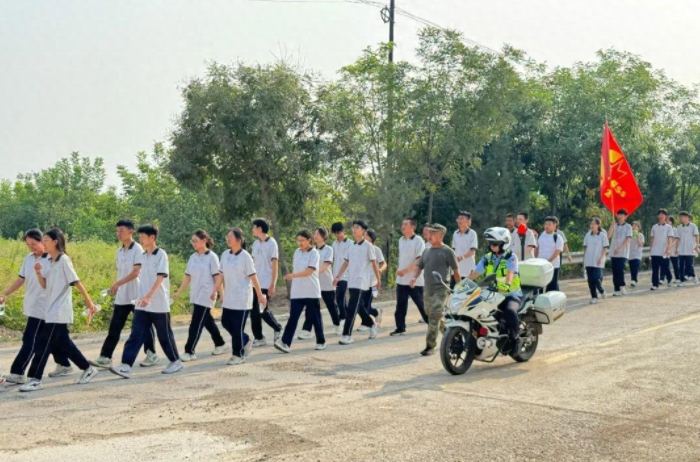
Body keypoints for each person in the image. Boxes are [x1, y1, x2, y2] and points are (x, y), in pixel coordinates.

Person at [20, 228, 99, 392]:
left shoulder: (64, 260)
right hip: (50, 310)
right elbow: (45, 285)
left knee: (43, 343)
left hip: (59, 310)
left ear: (55, 242)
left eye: (46, 241)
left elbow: (76, 281)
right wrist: (38, 272)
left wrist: (89, 302)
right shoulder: (49, 261)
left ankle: (35, 379)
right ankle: (88, 369)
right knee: (64, 344)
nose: (43, 244)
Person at [109, 224, 183, 379]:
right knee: (136, 334)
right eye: (140, 237)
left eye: (143, 237)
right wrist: (141, 298)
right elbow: (142, 279)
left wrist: (149, 296)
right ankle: (126, 366)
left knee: (164, 335)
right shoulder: (142, 256)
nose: (141, 239)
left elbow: (160, 278)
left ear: (152, 238)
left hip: (158, 303)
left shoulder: (161, 254)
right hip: (142, 304)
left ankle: (175, 361)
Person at [0, 229, 71, 384]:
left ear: (43, 241)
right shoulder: (28, 259)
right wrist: (5, 294)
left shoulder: (53, 259)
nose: (31, 247)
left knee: (30, 339)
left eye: (34, 243)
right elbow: (21, 279)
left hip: (45, 306)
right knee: (50, 340)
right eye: (28, 244)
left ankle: (18, 372)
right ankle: (65, 364)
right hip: (33, 304)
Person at [90, 219, 157, 369]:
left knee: (143, 325)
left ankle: (151, 353)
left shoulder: (138, 249)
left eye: (121, 231)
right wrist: (116, 287)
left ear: (131, 231)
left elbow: (135, 272)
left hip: (136, 293)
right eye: (117, 231)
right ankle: (106, 356)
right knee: (115, 326)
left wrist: (118, 283)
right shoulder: (119, 251)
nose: (118, 234)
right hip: (122, 295)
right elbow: (122, 272)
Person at [171, 229, 227, 362]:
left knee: (195, 323)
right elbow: (187, 277)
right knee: (207, 320)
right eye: (192, 241)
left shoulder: (212, 257)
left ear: (204, 241)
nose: (193, 243)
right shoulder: (193, 257)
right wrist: (178, 293)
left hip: (207, 295)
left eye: (195, 241)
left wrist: (221, 294)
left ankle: (189, 351)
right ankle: (220, 343)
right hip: (195, 294)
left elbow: (218, 277)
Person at [213, 228, 267, 365]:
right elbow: (221, 275)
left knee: (237, 328)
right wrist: (216, 291)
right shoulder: (225, 254)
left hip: (242, 298)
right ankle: (246, 339)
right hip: (229, 297)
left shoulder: (245, 256)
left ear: (239, 240)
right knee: (225, 322)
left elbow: (253, 277)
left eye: (230, 236)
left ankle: (238, 355)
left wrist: (260, 295)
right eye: (227, 236)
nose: (227, 238)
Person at [468, 227, 523, 356]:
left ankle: (516, 339)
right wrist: (464, 283)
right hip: (491, 294)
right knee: (475, 311)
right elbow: (476, 272)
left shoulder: (511, 256)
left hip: (511, 294)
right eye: (490, 243)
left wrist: (506, 285)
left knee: (510, 311)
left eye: (495, 243)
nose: (492, 246)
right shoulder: (487, 258)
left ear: (504, 243)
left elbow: (510, 273)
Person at [409, 223, 461, 356]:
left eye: (433, 233)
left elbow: (456, 271)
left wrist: (459, 289)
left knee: (434, 315)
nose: (429, 236)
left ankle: (430, 346)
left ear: (441, 235)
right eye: (429, 233)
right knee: (432, 315)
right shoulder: (426, 251)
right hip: (428, 289)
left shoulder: (447, 251)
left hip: (441, 289)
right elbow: (419, 267)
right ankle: (452, 335)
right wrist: (414, 278)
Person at [275, 230, 325, 353]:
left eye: (302, 240)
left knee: (315, 318)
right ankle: (285, 343)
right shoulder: (296, 253)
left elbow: (309, 271)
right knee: (293, 318)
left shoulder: (314, 253)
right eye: (298, 240)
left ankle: (321, 341)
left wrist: (293, 276)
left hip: (311, 291)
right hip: (297, 292)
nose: (300, 243)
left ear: (309, 240)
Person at [333, 219, 381, 345]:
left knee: (351, 308)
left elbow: (374, 264)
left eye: (357, 228)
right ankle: (371, 325)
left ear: (363, 231)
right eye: (353, 227)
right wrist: (338, 276)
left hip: (362, 281)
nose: (354, 229)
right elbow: (346, 263)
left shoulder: (368, 246)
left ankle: (346, 335)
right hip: (351, 280)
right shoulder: (351, 246)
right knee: (358, 307)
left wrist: (378, 280)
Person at [298, 227, 343, 338]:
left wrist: (314, 273)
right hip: (313, 284)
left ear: (323, 236)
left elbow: (326, 265)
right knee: (311, 307)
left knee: (331, 306)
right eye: (315, 233)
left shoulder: (328, 249)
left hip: (326, 282)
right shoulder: (312, 250)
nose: (315, 235)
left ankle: (338, 324)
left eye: (318, 234)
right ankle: (307, 330)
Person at [249, 218, 283, 347]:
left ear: (259, 228)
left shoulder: (272, 243)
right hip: (255, 282)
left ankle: (277, 327)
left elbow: (274, 264)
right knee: (253, 311)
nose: (252, 230)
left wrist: (272, 284)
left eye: (253, 227)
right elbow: (252, 264)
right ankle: (259, 337)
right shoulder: (255, 244)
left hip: (266, 281)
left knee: (262, 309)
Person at [392, 218, 429, 336]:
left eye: (405, 224)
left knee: (421, 305)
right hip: (401, 280)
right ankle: (400, 328)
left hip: (415, 279)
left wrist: (406, 270)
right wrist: (400, 270)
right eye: (402, 224)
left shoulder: (418, 240)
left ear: (412, 227)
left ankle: (433, 325)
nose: (402, 226)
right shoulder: (401, 240)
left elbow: (419, 259)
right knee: (400, 305)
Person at [357, 229, 386, 330]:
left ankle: (369, 320)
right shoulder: (360, 248)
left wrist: (380, 270)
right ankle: (370, 318)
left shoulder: (376, 249)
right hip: (361, 281)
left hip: (372, 282)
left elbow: (383, 263)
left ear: (372, 238)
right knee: (359, 304)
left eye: (366, 235)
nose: (363, 237)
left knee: (365, 305)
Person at [583, 218, 609, 303]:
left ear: (598, 225)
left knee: (596, 278)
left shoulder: (602, 235)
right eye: (591, 224)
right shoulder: (587, 235)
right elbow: (585, 248)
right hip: (588, 260)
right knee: (590, 280)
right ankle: (594, 297)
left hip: (598, 260)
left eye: (594, 224)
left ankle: (601, 291)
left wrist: (601, 258)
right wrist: (584, 259)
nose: (592, 225)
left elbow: (605, 248)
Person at [607, 209, 633, 296]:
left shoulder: (628, 226)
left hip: (622, 252)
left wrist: (620, 248)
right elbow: (608, 236)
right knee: (614, 271)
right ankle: (616, 289)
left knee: (620, 270)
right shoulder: (615, 225)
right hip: (613, 252)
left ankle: (622, 286)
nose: (620, 216)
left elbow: (628, 239)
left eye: (622, 214)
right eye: (619, 214)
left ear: (626, 216)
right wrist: (612, 226)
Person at [331, 222, 352, 325]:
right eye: (335, 233)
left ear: (344, 231)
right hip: (336, 275)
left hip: (346, 275)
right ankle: (348, 316)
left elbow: (349, 261)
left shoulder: (350, 243)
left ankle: (343, 317)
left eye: (339, 232)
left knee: (340, 297)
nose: (337, 235)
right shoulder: (334, 244)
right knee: (340, 298)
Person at [536, 216, 564, 292]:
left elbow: (558, 250)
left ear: (554, 225)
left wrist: (550, 260)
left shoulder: (557, 237)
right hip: (540, 265)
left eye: (549, 224)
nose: (546, 226)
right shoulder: (541, 235)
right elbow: (537, 248)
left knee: (552, 284)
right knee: (539, 284)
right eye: (545, 224)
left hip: (552, 265)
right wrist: (535, 259)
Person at [649, 209, 675, 291]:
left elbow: (670, 238)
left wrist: (668, 249)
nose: (661, 216)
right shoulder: (654, 227)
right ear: (658, 216)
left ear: (665, 216)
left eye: (663, 214)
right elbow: (652, 239)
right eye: (659, 214)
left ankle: (669, 279)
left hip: (664, 251)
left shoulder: (669, 227)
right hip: (655, 251)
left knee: (665, 267)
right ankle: (655, 284)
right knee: (655, 269)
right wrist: (651, 249)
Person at [452, 211, 478, 288]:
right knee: (453, 292)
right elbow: (454, 250)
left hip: (468, 270)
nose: (459, 221)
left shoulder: (472, 233)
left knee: (469, 294)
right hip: (457, 270)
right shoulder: (455, 233)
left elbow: (472, 251)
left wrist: (462, 257)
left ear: (467, 221)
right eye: (458, 219)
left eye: (462, 219)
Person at [677, 212, 699, 286]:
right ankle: (682, 281)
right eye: (680, 217)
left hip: (690, 248)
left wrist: (696, 245)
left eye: (682, 217)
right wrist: (677, 248)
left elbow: (696, 236)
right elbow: (678, 239)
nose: (680, 218)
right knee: (681, 265)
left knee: (689, 264)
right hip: (681, 249)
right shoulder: (679, 227)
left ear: (687, 217)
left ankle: (692, 276)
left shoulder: (693, 226)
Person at [628, 221, 645, 287]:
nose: (634, 227)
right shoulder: (629, 235)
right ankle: (634, 279)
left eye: (636, 226)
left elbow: (641, 245)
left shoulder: (641, 235)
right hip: (630, 254)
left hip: (637, 254)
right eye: (633, 226)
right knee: (632, 268)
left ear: (638, 227)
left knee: (635, 267)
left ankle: (633, 280)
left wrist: (637, 236)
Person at [667, 216, 682, 286]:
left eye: (668, 221)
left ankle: (677, 278)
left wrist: (672, 246)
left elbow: (676, 239)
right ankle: (664, 279)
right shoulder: (665, 229)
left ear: (672, 222)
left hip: (673, 250)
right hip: (666, 250)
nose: (667, 222)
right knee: (665, 265)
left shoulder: (675, 230)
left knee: (675, 265)